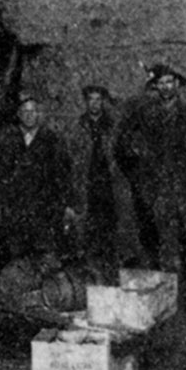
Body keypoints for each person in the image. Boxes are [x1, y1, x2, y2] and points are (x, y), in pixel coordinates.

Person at [114, 63, 186, 294]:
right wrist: (143, 174)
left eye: (169, 82)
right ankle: (170, 295)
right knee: (167, 245)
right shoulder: (146, 114)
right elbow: (124, 143)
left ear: (178, 84)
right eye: (160, 83)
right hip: (162, 189)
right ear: (155, 87)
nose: (165, 87)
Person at [0, 90, 79, 267]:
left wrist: (67, 204)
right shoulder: (6, 139)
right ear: (19, 115)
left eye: (33, 112)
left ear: (38, 115)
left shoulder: (51, 140)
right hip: (14, 206)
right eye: (25, 112)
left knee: (44, 254)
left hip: (43, 207)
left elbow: (62, 174)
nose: (29, 116)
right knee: (15, 254)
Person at [67, 84, 139, 270]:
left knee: (112, 227)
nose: (95, 103)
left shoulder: (112, 127)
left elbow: (124, 152)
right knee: (88, 229)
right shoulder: (78, 127)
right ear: (86, 102)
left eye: (98, 99)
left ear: (103, 102)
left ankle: (113, 267)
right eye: (91, 99)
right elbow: (70, 158)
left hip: (109, 184)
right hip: (87, 184)